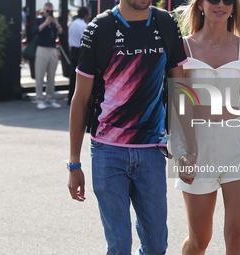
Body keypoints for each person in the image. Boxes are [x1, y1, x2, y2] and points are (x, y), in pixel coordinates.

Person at [67, 0, 187, 254]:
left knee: (156, 246)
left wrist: (186, 146)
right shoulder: (99, 28)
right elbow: (80, 99)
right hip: (107, 151)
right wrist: (74, 164)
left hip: (152, 151)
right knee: (119, 246)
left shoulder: (166, 23)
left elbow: (181, 89)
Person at [170, 0, 240, 254]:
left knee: (235, 234)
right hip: (197, 153)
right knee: (199, 240)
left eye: (227, 0)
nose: (221, 5)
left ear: (234, 7)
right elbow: (177, 106)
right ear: (199, 5)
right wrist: (179, 152)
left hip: (239, 152)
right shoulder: (183, 48)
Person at [33, 2, 63, 110]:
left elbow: (61, 33)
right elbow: (35, 31)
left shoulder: (55, 21)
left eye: (50, 11)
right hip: (42, 49)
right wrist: (45, 23)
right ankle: (40, 99)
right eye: (47, 11)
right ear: (43, 11)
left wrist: (56, 23)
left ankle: (50, 99)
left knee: (52, 76)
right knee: (40, 75)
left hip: (52, 49)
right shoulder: (39, 20)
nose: (49, 13)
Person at [67, 7, 90, 105]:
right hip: (81, 50)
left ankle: (70, 97)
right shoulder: (83, 25)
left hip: (73, 50)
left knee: (73, 75)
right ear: (85, 15)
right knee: (82, 75)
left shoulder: (73, 23)